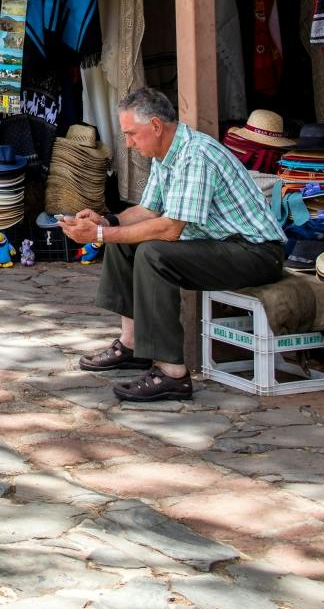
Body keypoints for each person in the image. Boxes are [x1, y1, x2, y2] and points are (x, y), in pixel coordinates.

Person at [58, 86, 285, 403]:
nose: (128, 143)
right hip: (221, 245)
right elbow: (147, 211)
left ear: (155, 126)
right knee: (126, 242)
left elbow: (169, 229)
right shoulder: (165, 153)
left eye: (132, 134)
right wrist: (105, 222)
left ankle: (172, 373)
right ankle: (133, 345)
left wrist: (99, 236)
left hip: (256, 253)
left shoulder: (195, 156)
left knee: (153, 252)